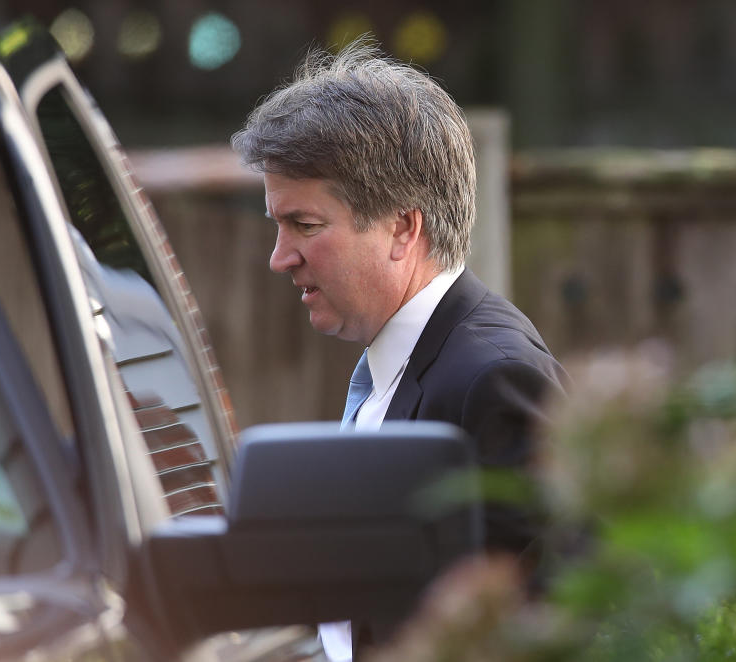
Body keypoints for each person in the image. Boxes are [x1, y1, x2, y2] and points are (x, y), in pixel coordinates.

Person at [231, 41, 568, 661]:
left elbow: (547, 630)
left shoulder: (496, 379)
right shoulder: (408, 357)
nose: (280, 257)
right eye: (278, 227)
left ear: (403, 229)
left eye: (304, 226)